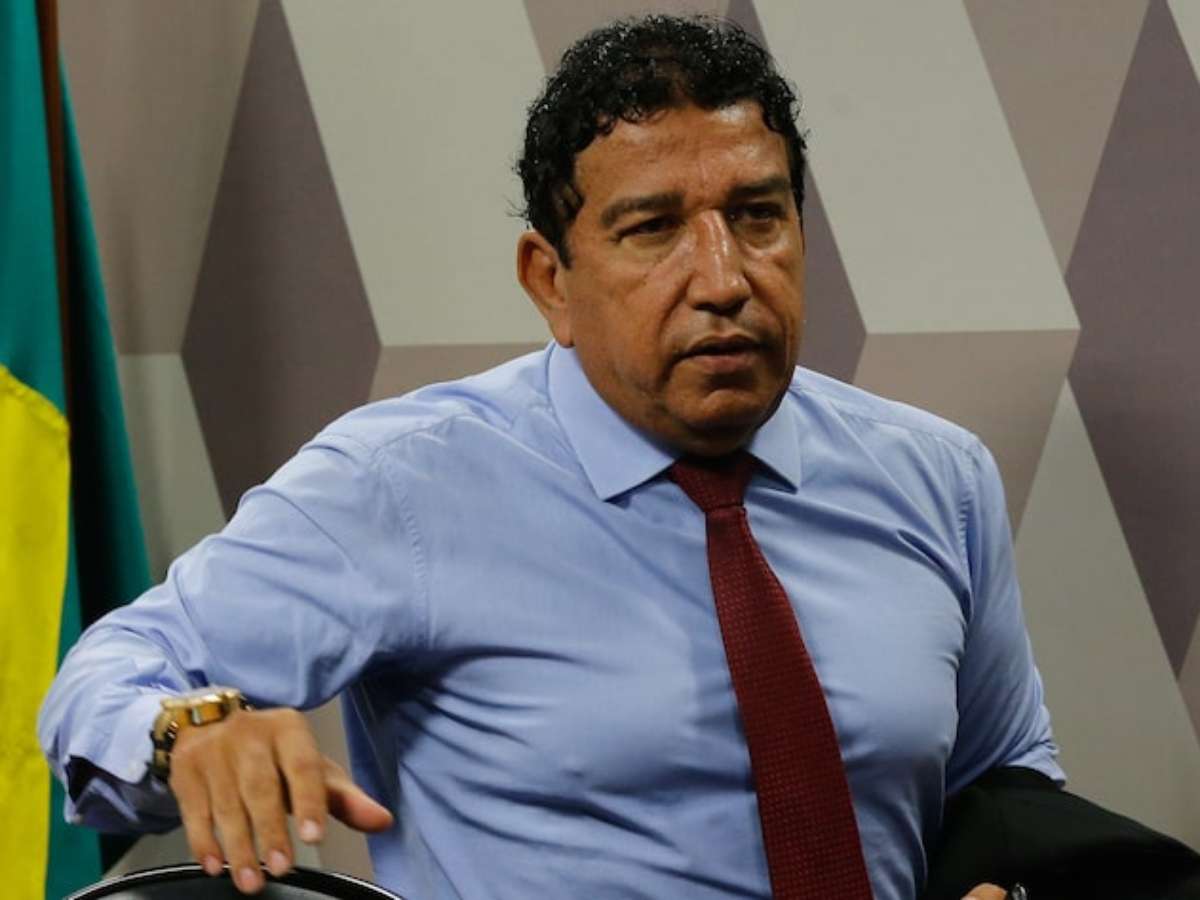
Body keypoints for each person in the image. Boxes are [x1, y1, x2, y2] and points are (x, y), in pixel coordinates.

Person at [39, 15, 1060, 900]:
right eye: (653, 229)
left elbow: (1007, 785)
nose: (723, 278)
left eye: (758, 217)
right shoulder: (403, 487)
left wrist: (1006, 883)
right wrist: (193, 733)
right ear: (551, 282)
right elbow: (102, 681)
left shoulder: (936, 479)